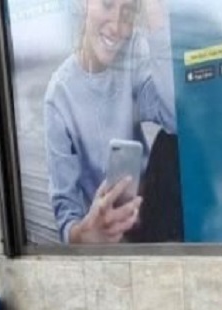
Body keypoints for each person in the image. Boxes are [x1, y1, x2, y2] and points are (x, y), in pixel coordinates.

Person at [43, 0, 177, 244]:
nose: (116, 27)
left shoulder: (132, 51)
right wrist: (89, 233)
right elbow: (67, 217)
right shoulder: (59, 96)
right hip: (111, 234)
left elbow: (174, 117)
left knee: (169, 144)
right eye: (107, 5)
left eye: (127, 13)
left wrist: (156, 21)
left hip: (153, 210)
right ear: (83, 5)